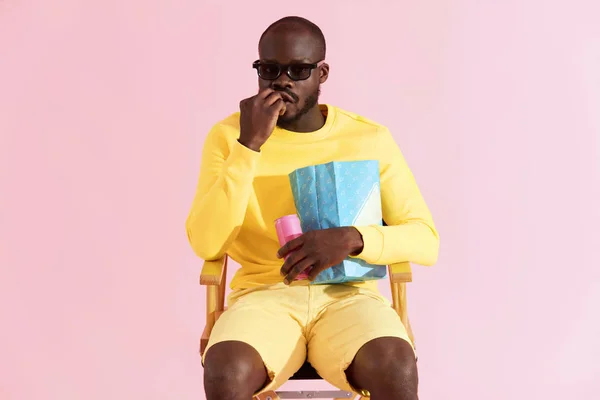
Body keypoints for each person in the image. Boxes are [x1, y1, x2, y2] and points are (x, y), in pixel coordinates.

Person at [185, 16, 439, 400]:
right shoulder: (228, 137)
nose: (281, 81)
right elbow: (206, 243)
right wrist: (249, 146)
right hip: (263, 296)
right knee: (226, 370)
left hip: (349, 297)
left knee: (395, 364)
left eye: (298, 70)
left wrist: (353, 239)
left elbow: (425, 239)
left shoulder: (367, 137)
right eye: (268, 69)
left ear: (321, 74)